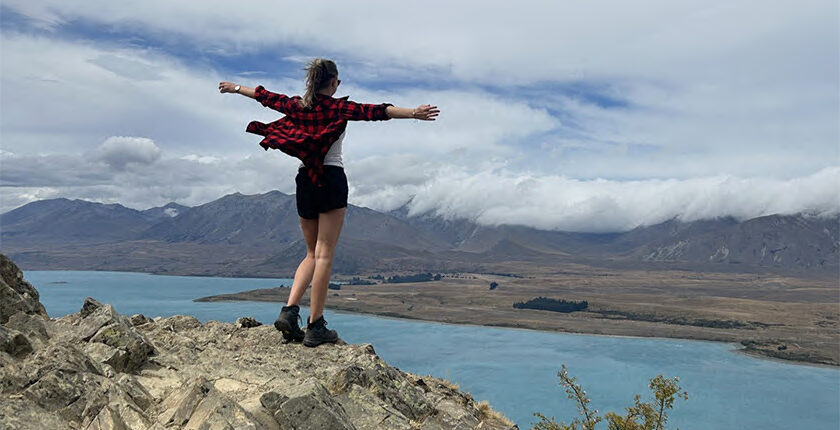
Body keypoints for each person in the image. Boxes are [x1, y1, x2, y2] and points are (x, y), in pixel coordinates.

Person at [218, 58, 439, 347]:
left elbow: (263, 96)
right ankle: (315, 326)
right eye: (338, 81)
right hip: (331, 179)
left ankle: (289, 311)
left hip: (304, 182)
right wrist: (414, 113)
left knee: (310, 253)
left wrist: (234, 88)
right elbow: (377, 112)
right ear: (333, 82)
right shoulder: (338, 108)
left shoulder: (295, 105)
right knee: (324, 255)